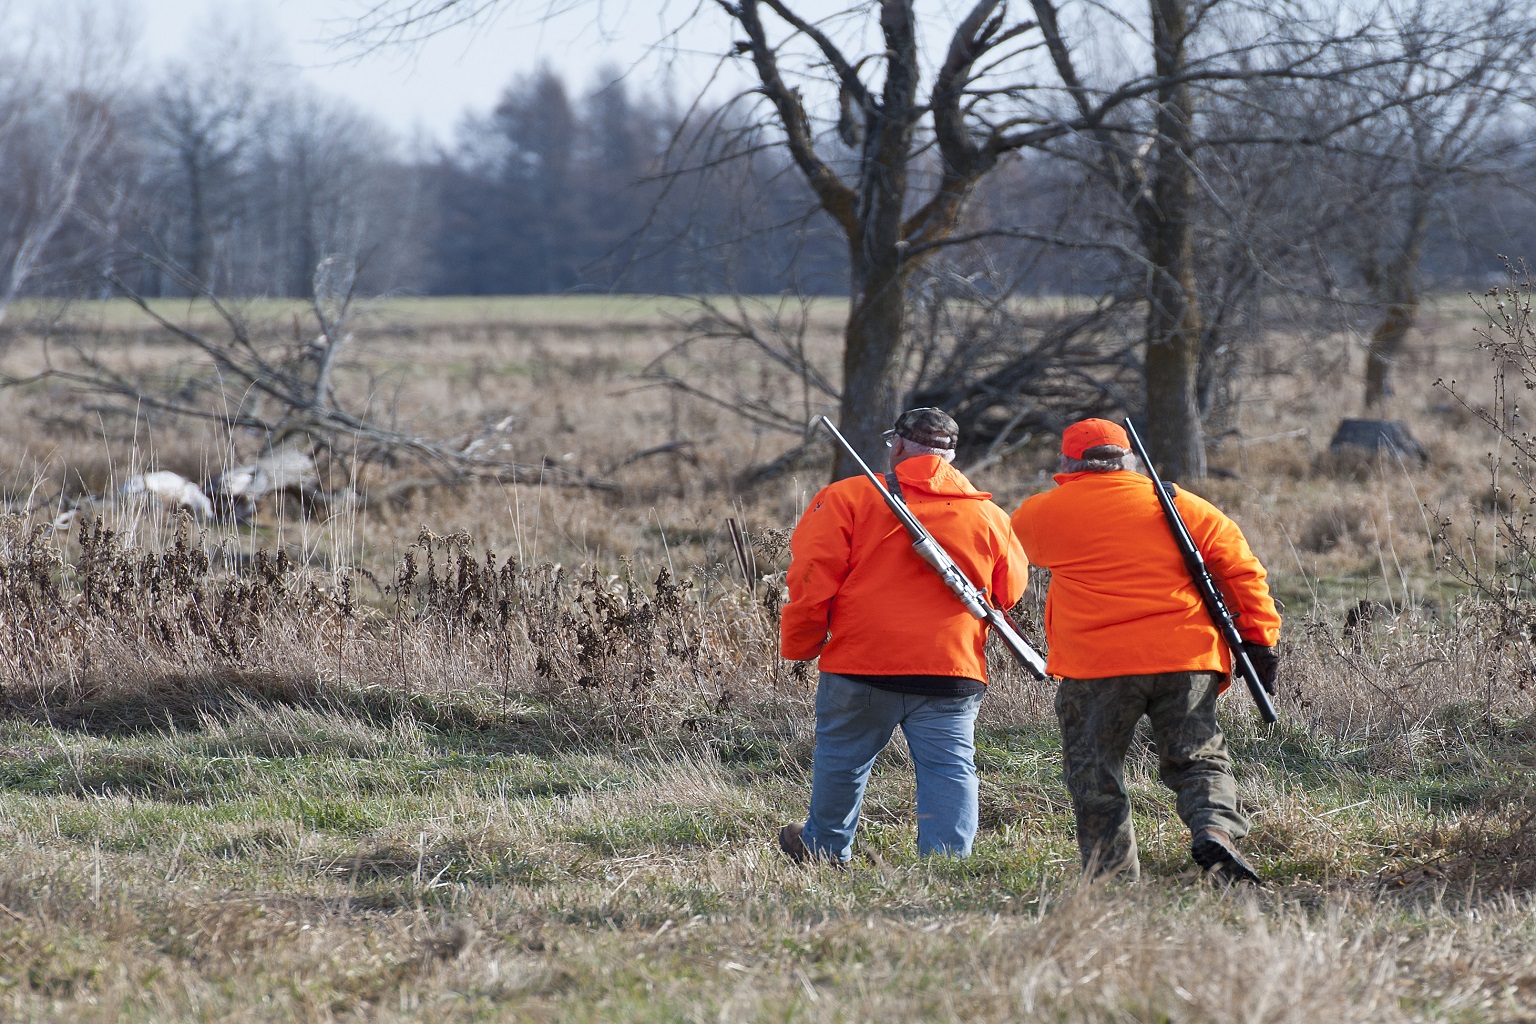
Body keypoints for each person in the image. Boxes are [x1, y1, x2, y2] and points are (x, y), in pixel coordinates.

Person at [1009, 418, 1281, 884]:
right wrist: (1260, 641)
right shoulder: (1183, 505)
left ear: (1066, 462)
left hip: (1097, 666)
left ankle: (1113, 881)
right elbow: (1241, 570)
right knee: (1199, 758)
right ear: (1129, 457)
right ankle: (1214, 828)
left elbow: (1018, 557)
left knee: (1095, 772)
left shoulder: (1041, 513)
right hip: (1186, 657)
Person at [777, 407, 1030, 865]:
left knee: (843, 762)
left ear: (896, 444)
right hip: (951, 668)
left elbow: (812, 580)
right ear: (951, 456)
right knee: (950, 770)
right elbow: (1008, 591)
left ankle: (824, 850)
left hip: (862, 663)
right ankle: (946, 865)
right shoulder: (990, 515)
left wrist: (802, 643)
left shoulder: (847, 496)